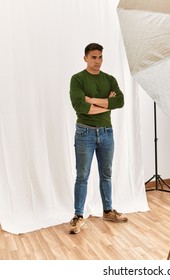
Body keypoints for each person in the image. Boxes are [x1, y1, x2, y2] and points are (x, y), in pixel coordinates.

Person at [68, 43, 127, 234]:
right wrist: (106, 103)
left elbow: (119, 101)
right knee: (82, 175)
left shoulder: (109, 79)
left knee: (107, 174)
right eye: (93, 57)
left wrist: (91, 99)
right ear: (85, 58)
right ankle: (78, 216)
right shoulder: (77, 79)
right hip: (85, 132)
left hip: (106, 133)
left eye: (100, 57)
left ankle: (108, 211)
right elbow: (80, 107)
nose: (97, 61)